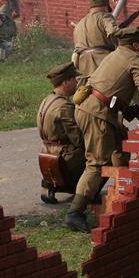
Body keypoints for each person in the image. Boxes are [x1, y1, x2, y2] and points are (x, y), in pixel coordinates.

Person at [65, 27, 139, 233]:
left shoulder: (115, 55)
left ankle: (122, 197)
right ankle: (75, 212)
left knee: (120, 151)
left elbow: (117, 89)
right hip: (98, 113)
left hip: (93, 109)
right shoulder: (134, 59)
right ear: (135, 44)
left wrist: (135, 110)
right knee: (97, 162)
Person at [37, 62, 85, 204]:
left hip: (46, 152)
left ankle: (50, 184)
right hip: (63, 157)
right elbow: (78, 139)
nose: (77, 83)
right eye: (74, 79)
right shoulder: (64, 106)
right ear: (66, 82)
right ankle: (86, 192)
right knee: (100, 155)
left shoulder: (47, 100)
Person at [72, 0, 118, 89]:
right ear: (105, 7)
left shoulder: (80, 23)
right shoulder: (105, 17)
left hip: (82, 65)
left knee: (82, 95)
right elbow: (114, 32)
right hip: (101, 62)